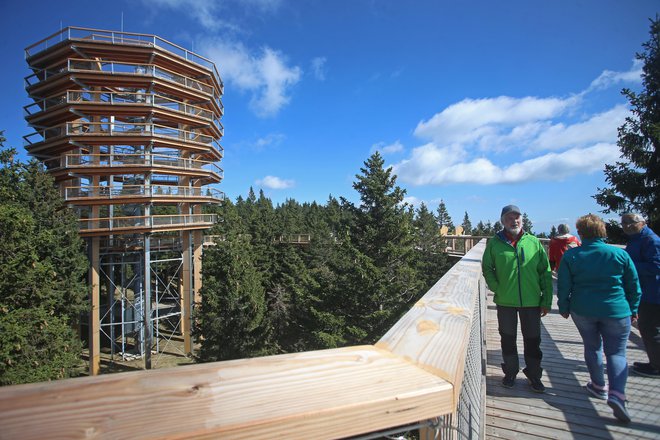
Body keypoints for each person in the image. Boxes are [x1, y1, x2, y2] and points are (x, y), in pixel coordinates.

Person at [557, 214, 641, 423]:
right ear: (602, 232)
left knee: (592, 347)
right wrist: (634, 308)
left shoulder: (572, 256)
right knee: (617, 353)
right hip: (617, 310)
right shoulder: (619, 254)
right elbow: (633, 285)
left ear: (581, 232)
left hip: (582, 309)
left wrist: (564, 307)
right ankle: (617, 394)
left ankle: (598, 386)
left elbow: (564, 286)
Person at [482, 205, 553, 393]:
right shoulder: (495, 244)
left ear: (522, 219)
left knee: (532, 339)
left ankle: (534, 374)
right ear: (502, 221)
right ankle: (511, 372)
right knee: (507, 338)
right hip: (505, 300)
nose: (514, 221)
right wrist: (496, 287)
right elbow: (487, 268)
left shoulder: (533, 242)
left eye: (517, 217)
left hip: (531, 301)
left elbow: (545, 272)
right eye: (509, 218)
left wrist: (546, 300)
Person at [621, 213, 660, 378]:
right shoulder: (638, 238)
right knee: (647, 328)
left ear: (642, 222)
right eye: (623, 223)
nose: (626, 226)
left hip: (653, 293)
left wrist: (629, 265)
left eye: (631, 223)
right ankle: (654, 362)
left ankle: (657, 367)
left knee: (651, 329)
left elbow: (656, 266)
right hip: (644, 292)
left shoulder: (652, 241)